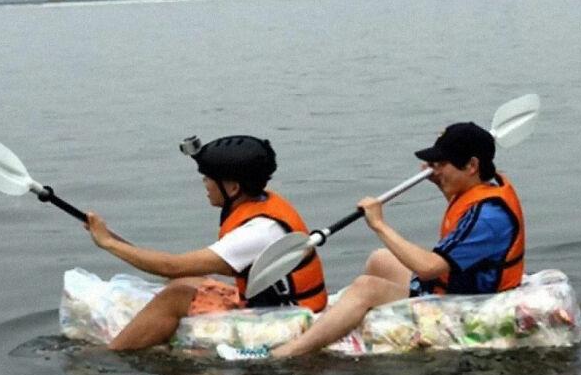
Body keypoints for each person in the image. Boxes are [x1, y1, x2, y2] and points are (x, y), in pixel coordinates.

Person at [217, 122, 525, 360]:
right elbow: (458, 221)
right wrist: (441, 179)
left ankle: (283, 354)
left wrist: (378, 224)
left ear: (471, 166)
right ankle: (337, 321)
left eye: (442, 164)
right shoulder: (481, 186)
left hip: (472, 301)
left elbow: (430, 268)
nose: (434, 169)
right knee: (379, 259)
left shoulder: (488, 216)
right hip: (460, 284)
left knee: (367, 287)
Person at [85, 135, 327, 351]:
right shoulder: (263, 201)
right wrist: (110, 237)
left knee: (176, 294)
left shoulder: (258, 231)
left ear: (233, 188)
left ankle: (111, 355)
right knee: (187, 282)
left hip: (287, 317)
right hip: (280, 305)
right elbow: (181, 271)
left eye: (209, 178)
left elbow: (171, 266)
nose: (205, 184)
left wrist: (108, 243)